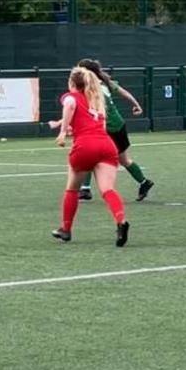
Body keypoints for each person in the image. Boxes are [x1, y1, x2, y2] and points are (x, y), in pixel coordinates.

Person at [49, 66, 130, 247]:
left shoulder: (71, 96)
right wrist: (72, 126)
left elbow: (70, 105)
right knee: (107, 189)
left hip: (85, 146)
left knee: (72, 190)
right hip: (106, 145)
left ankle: (66, 229)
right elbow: (97, 124)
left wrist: (63, 132)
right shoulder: (95, 99)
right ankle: (121, 221)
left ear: (71, 82)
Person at [75, 58, 155, 202]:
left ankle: (85, 190)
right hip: (118, 125)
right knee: (124, 160)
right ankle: (144, 182)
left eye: (80, 70)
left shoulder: (92, 88)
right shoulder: (103, 81)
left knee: (90, 155)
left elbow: (99, 111)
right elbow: (123, 92)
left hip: (108, 127)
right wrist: (136, 104)